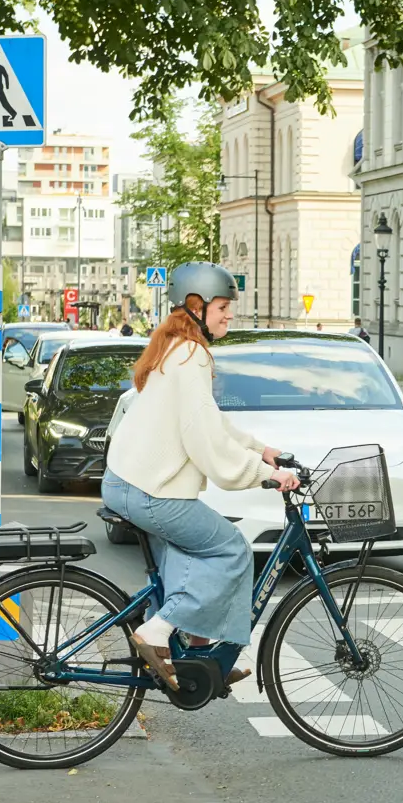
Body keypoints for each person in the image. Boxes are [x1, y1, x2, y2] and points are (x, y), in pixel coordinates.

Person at [100, 262, 300, 691]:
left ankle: (201, 657)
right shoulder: (192, 355)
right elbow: (204, 439)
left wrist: (259, 448)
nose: (230, 315)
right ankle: (157, 631)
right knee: (232, 550)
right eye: (223, 307)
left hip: (128, 482)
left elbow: (208, 419)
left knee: (189, 557)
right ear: (197, 306)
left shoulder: (175, 348)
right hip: (149, 490)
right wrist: (265, 475)